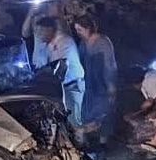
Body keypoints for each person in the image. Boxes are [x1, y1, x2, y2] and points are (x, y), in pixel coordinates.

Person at [75, 15, 118, 147]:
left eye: (80, 30)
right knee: (88, 111)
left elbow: (109, 64)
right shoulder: (83, 43)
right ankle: (86, 140)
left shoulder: (103, 42)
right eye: (76, 30)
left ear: (88, 28)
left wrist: (111, 85)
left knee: (104, 113)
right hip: (88, 82)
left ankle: (103, 143)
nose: (78, 33)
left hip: (102, 82)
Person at [33, 16, 86, 126]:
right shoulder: (45, 43)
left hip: (71, 87)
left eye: (40, 32)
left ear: (50, 30)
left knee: (73, 123)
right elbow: (39, 63)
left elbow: (59, 67)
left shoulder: (64, 42)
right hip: (60, 88)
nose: (38, 35)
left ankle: (81, 143)